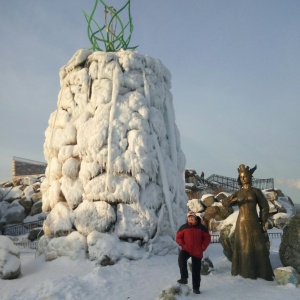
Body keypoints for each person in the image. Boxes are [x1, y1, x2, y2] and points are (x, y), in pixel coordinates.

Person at [222, 164, 274, 281]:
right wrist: (230, 200)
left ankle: (262, 272)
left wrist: (263, 221)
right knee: (243, 246)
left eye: (245, 176)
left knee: (258, 246)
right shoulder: (238, 193)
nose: (243, 178)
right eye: (241, 177)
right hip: (241, 222)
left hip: (254, 221)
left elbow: (264, 206)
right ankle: (243, 272)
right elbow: (226, 203)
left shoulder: (256, 191)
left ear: (250, 176)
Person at [176, 211, 211, 294]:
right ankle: (184, 278)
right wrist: (183, 245)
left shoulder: (201, 227)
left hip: (197, 251)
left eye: (192, 217)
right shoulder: (183, 227)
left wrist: (203, 247)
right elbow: (178, 237)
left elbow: (207, 238)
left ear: (195, 218)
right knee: (181, 257)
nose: (191, 218)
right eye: (189, 217)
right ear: (187, 218)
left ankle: (196, 288)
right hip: (186, 249)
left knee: (196, 270)